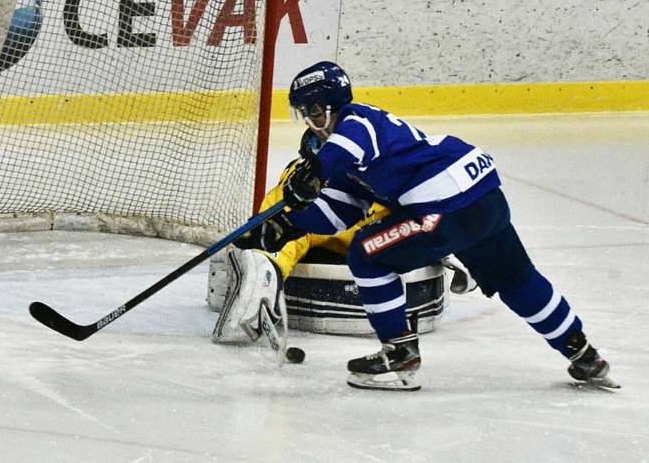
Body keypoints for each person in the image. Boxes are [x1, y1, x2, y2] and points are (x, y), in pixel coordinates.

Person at [235, 60, 617, 391]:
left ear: (327, 107)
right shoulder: (352, 163)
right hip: (482, 198)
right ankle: (584, 355)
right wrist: (284, 227)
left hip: (444, 207)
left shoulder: (357, 121)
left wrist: (316, 173)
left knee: (367, 256)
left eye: (313, 113)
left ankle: (399, 354)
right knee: (516, 279)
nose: (312, 124)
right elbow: (339, 213)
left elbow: (343, 149)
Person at [209, 128, 474, 344]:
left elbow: (426, 199)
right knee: (290, 228)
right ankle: (264, 274)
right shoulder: (299, 177)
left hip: (367, 232)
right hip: (328, 230)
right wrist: (265, 260)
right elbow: (275, 221)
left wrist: (449, 238)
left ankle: (265, 267)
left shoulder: (376, 173)